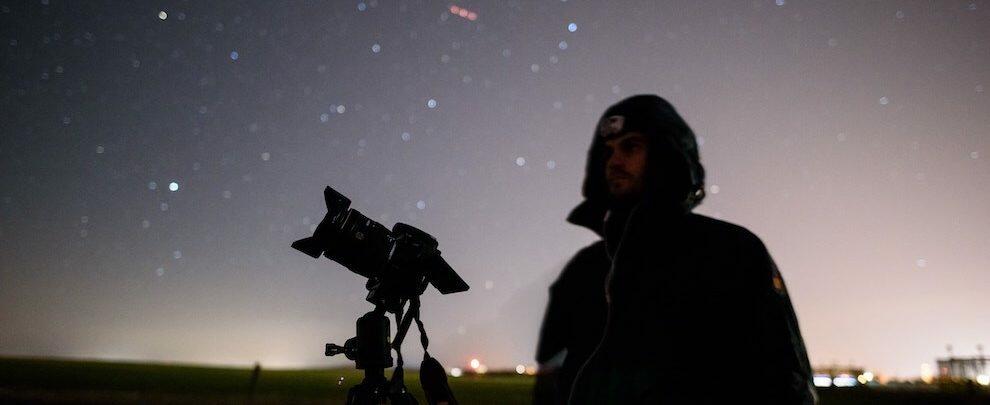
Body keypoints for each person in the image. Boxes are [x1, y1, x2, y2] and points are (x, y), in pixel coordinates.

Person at [535, 94, 817, 404]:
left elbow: (785, 382)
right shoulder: (584, 268)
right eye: (608, 151)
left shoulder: (730, 251)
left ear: (665, 155)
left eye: (630, 147)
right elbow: (552, 376)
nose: (614, 162)